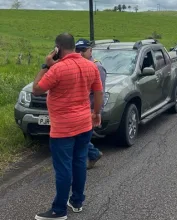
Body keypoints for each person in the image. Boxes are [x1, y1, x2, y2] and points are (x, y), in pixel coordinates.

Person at [32, 33, 103, 220]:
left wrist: (46, 65)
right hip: (84, 123)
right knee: (79, 162)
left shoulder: (57, 69)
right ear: (74, 47)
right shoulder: (90, 65)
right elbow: (98, 92)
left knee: (63, 168)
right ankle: (77, 201)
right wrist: (96, 113)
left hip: (63, 128)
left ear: (58, 48)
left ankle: (59, 210)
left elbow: (37, 88)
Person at [75, 38, 106, 170]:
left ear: (90, 50)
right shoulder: (76, 65)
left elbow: (99, 92)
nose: (80, 53)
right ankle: (93, 154)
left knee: (80, 135)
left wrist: (96, 111)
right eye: (78, 50)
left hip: (91, 107)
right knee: (79, 135)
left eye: (83, 50)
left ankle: (92, 154)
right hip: (79, 107)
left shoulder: (97, 67)